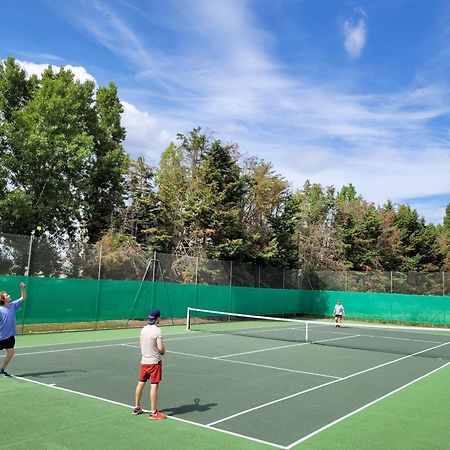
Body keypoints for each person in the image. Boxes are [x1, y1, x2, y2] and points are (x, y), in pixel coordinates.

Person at [132, 308, 167, 419]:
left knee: (141, 383)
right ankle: (153, 412)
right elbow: (161, 349)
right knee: (154, 386)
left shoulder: (143, 329)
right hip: (154, 363)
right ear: (158, 318)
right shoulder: (157, 331)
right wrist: (162, 351)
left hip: (144, 361)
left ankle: (137, 407)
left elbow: (141, 345)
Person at [0, 282, 27, 377]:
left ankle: (2, 370)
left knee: (11, 353)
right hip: (1, 337)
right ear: (2, 299)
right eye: (7, 295)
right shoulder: (0, 310)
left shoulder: (13, 305)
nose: (9, 295)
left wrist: (22, 288)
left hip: (10, 336)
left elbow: (23, 297)